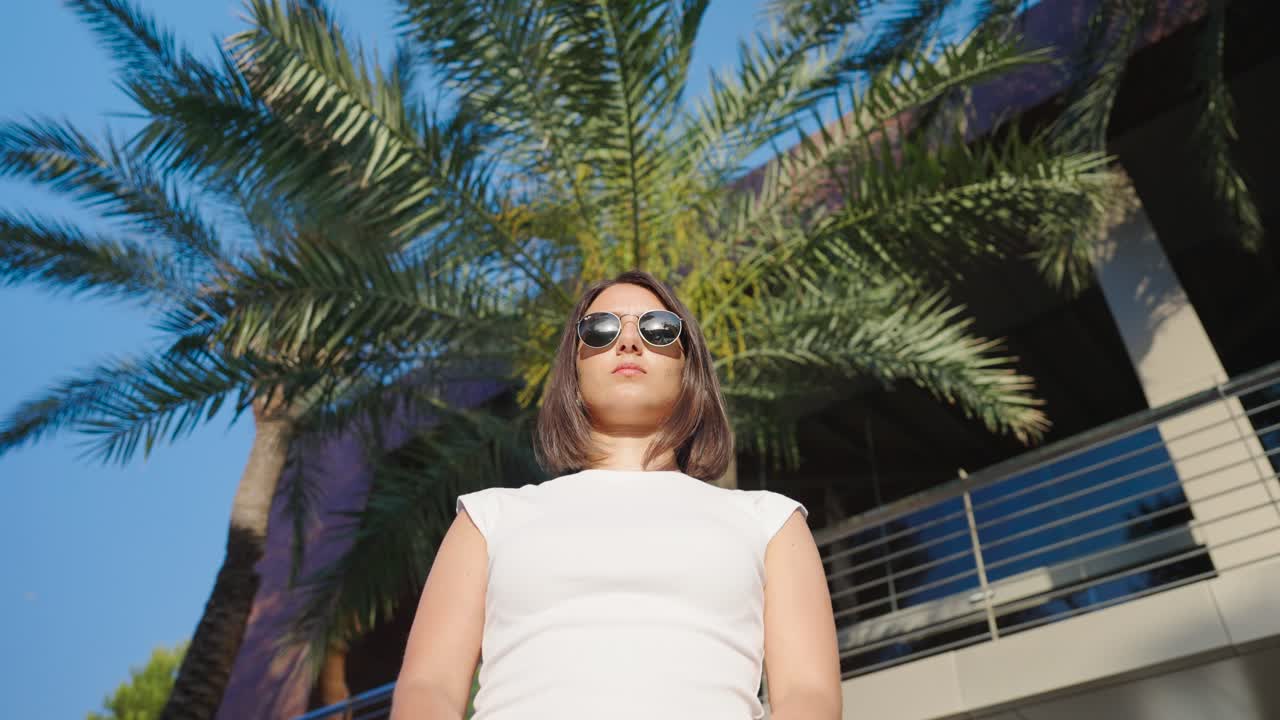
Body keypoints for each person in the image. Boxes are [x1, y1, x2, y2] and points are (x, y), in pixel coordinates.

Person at [390, 270, 841, 719]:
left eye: (658, 328)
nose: (629, 342)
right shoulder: (487, 519)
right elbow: (429, 687)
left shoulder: (772, 522)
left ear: (689, 367)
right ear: (574, 369)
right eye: (601, 329)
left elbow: (809, 696)